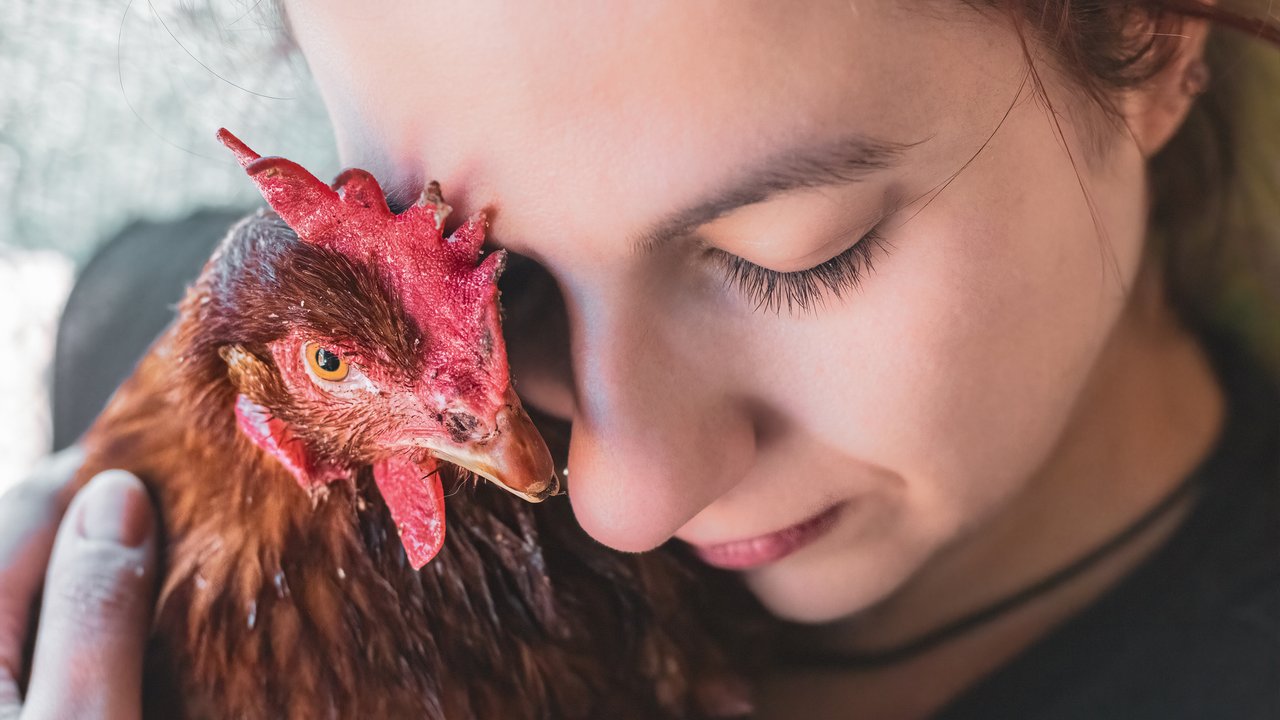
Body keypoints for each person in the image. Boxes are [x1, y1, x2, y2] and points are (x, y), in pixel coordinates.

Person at [3, 1, 1278, 717]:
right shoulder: (143, 397)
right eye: (525, 299)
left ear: (1150, 48)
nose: (619, 499)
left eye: (792, 255)